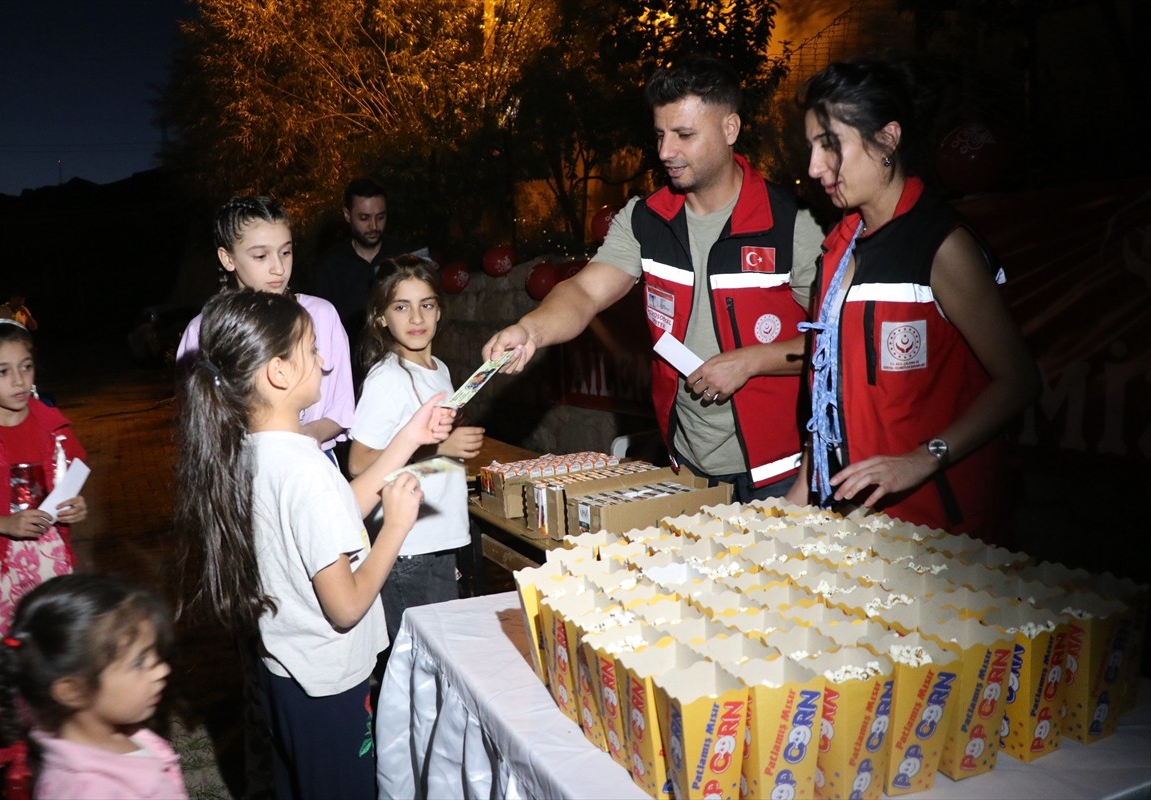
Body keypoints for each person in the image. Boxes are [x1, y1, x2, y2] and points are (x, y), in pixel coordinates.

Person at [483, 54, 825, 502]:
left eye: (684, 135)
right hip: (687, 464)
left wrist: (751, 361)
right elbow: (585, 291)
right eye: (661, 134)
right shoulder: (646, 220)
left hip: (780, 471)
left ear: (730, 130)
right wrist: (531, 329)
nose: (665, 152)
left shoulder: (792, 223)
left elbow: (836, 340)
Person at [174, 290, 453, 799]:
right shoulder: (305, 469)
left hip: (282, 669)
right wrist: (395, 528)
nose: (324, 362)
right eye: (311, 349)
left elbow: (335, 507)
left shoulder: (251, 452)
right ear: (278, 373)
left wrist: (411, 436)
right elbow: (345, 606)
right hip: (329, 683)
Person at [785, 59, 1040, 544]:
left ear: (887, 139)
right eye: (811, 148)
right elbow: (826, 393)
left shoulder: (941, 245)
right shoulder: (836, 250)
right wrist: (796, 500)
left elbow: (1020, 380)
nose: (815, 167)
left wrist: (924, 457)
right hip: (860, 523)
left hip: (944, 534)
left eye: (829, 144)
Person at [0, 318, 88, 725]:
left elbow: (72, 483)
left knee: (54, 673)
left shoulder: (52, 425)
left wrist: (76, 508)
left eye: (26, 367)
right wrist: (1, 524)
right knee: (9, 684)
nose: (19, 381)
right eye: (2, 371)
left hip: (48, 566)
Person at [350, 255, 484, 642]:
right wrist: (442, 449)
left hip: (439, 539)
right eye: (401, 307)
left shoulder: (439, 369)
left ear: (439, 311)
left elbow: (427, 458)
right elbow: (360, 464)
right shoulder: (388, 378)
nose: (416, 318)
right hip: (409, 549)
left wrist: (450, 452)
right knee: (423, 667)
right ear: (381, 318)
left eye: (426, 305)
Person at [177, 196, 355, 465]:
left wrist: (305, 437)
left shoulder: (321, 315)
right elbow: (197, 421)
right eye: (261, 256)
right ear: (227, 258)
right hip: (236, 470)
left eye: (286, 252)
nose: (279, 268)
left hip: (313, 461)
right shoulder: (202, 331)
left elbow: (342, 406)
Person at [0, 572, 184, 800]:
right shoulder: (84, 791)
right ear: (72, 691)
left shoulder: (121, 733)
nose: (162, 670)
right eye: (139, 662)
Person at [311, 177, 414, 348]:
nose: (374, 226)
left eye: (380, 217)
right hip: (349, 366)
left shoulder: (405, 258)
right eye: (364, 218)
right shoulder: (328, 265)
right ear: (347, 215)